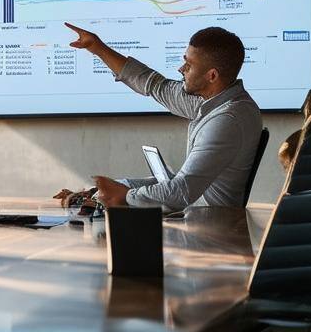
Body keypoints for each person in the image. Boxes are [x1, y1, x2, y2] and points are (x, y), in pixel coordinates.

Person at [55, 24, 262, 210]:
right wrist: (98, 48)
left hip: (209, 229)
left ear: (212, 75)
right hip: (197, 214)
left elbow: (182, 191)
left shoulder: (227, 120)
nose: (181, 69)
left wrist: (126, 196)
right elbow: (155, 85)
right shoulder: (211, 101)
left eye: (189, 65)